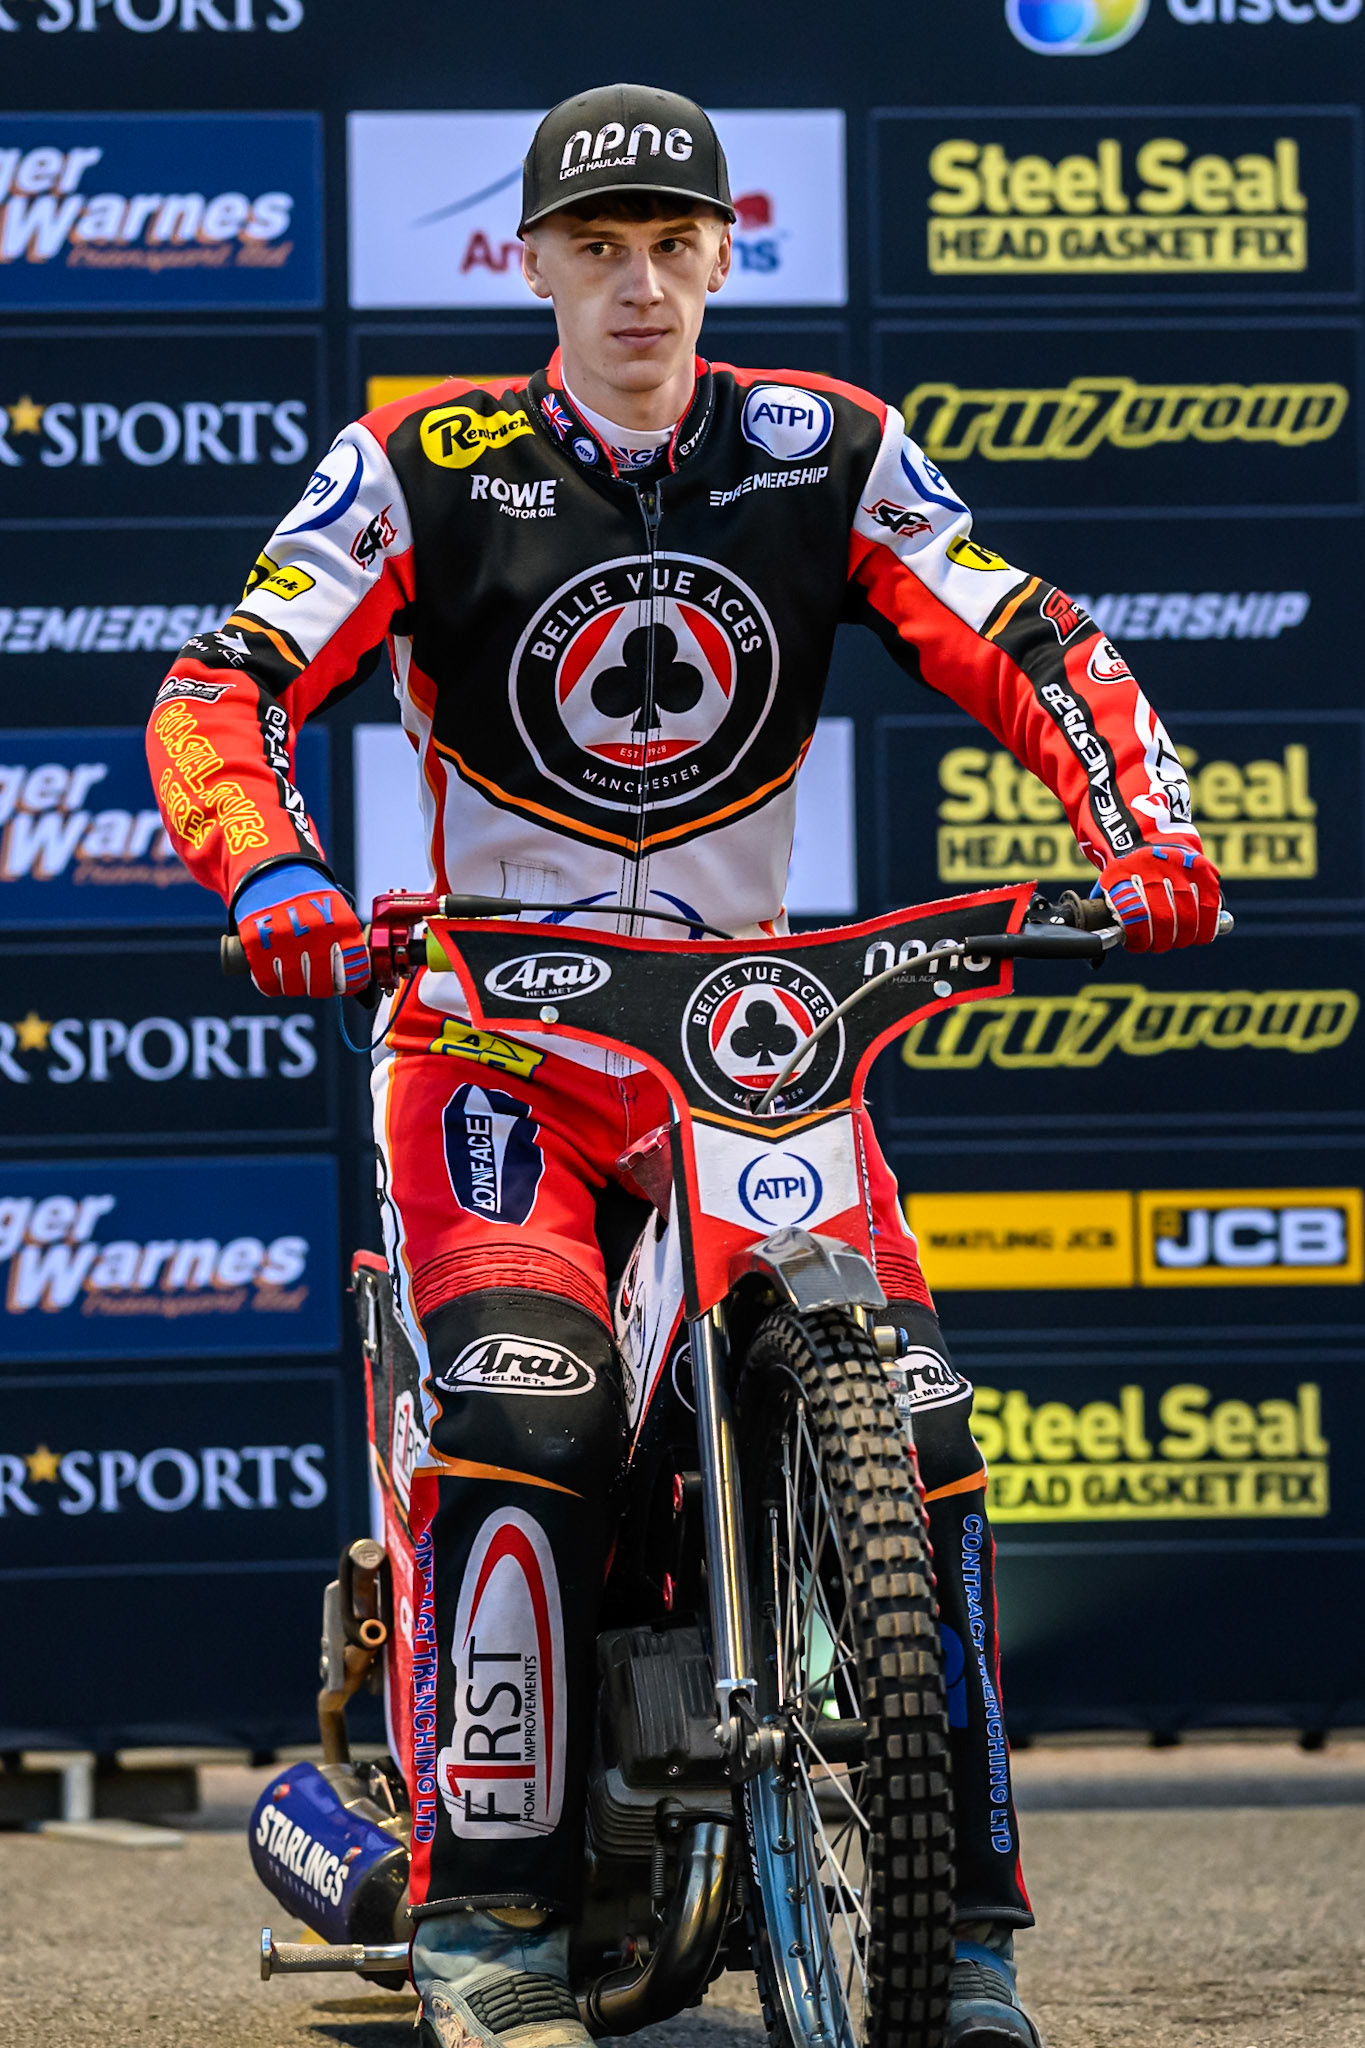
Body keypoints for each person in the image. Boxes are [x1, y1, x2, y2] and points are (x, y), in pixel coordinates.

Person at [146, 83, 1221, 2048]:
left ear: (726, 248)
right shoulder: (420, 461)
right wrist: (276, 865)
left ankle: (956, 1937)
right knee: (531, 1411)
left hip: (745, 1038)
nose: (638, 285)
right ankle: (492, 1916)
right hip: (496, 1040)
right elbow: (223, 684)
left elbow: (1027, 636)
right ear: (526, 260)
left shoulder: (828, 450)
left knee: (907, 1421)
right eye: (594, 247)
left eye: (672, 244)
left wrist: (1139, 826)